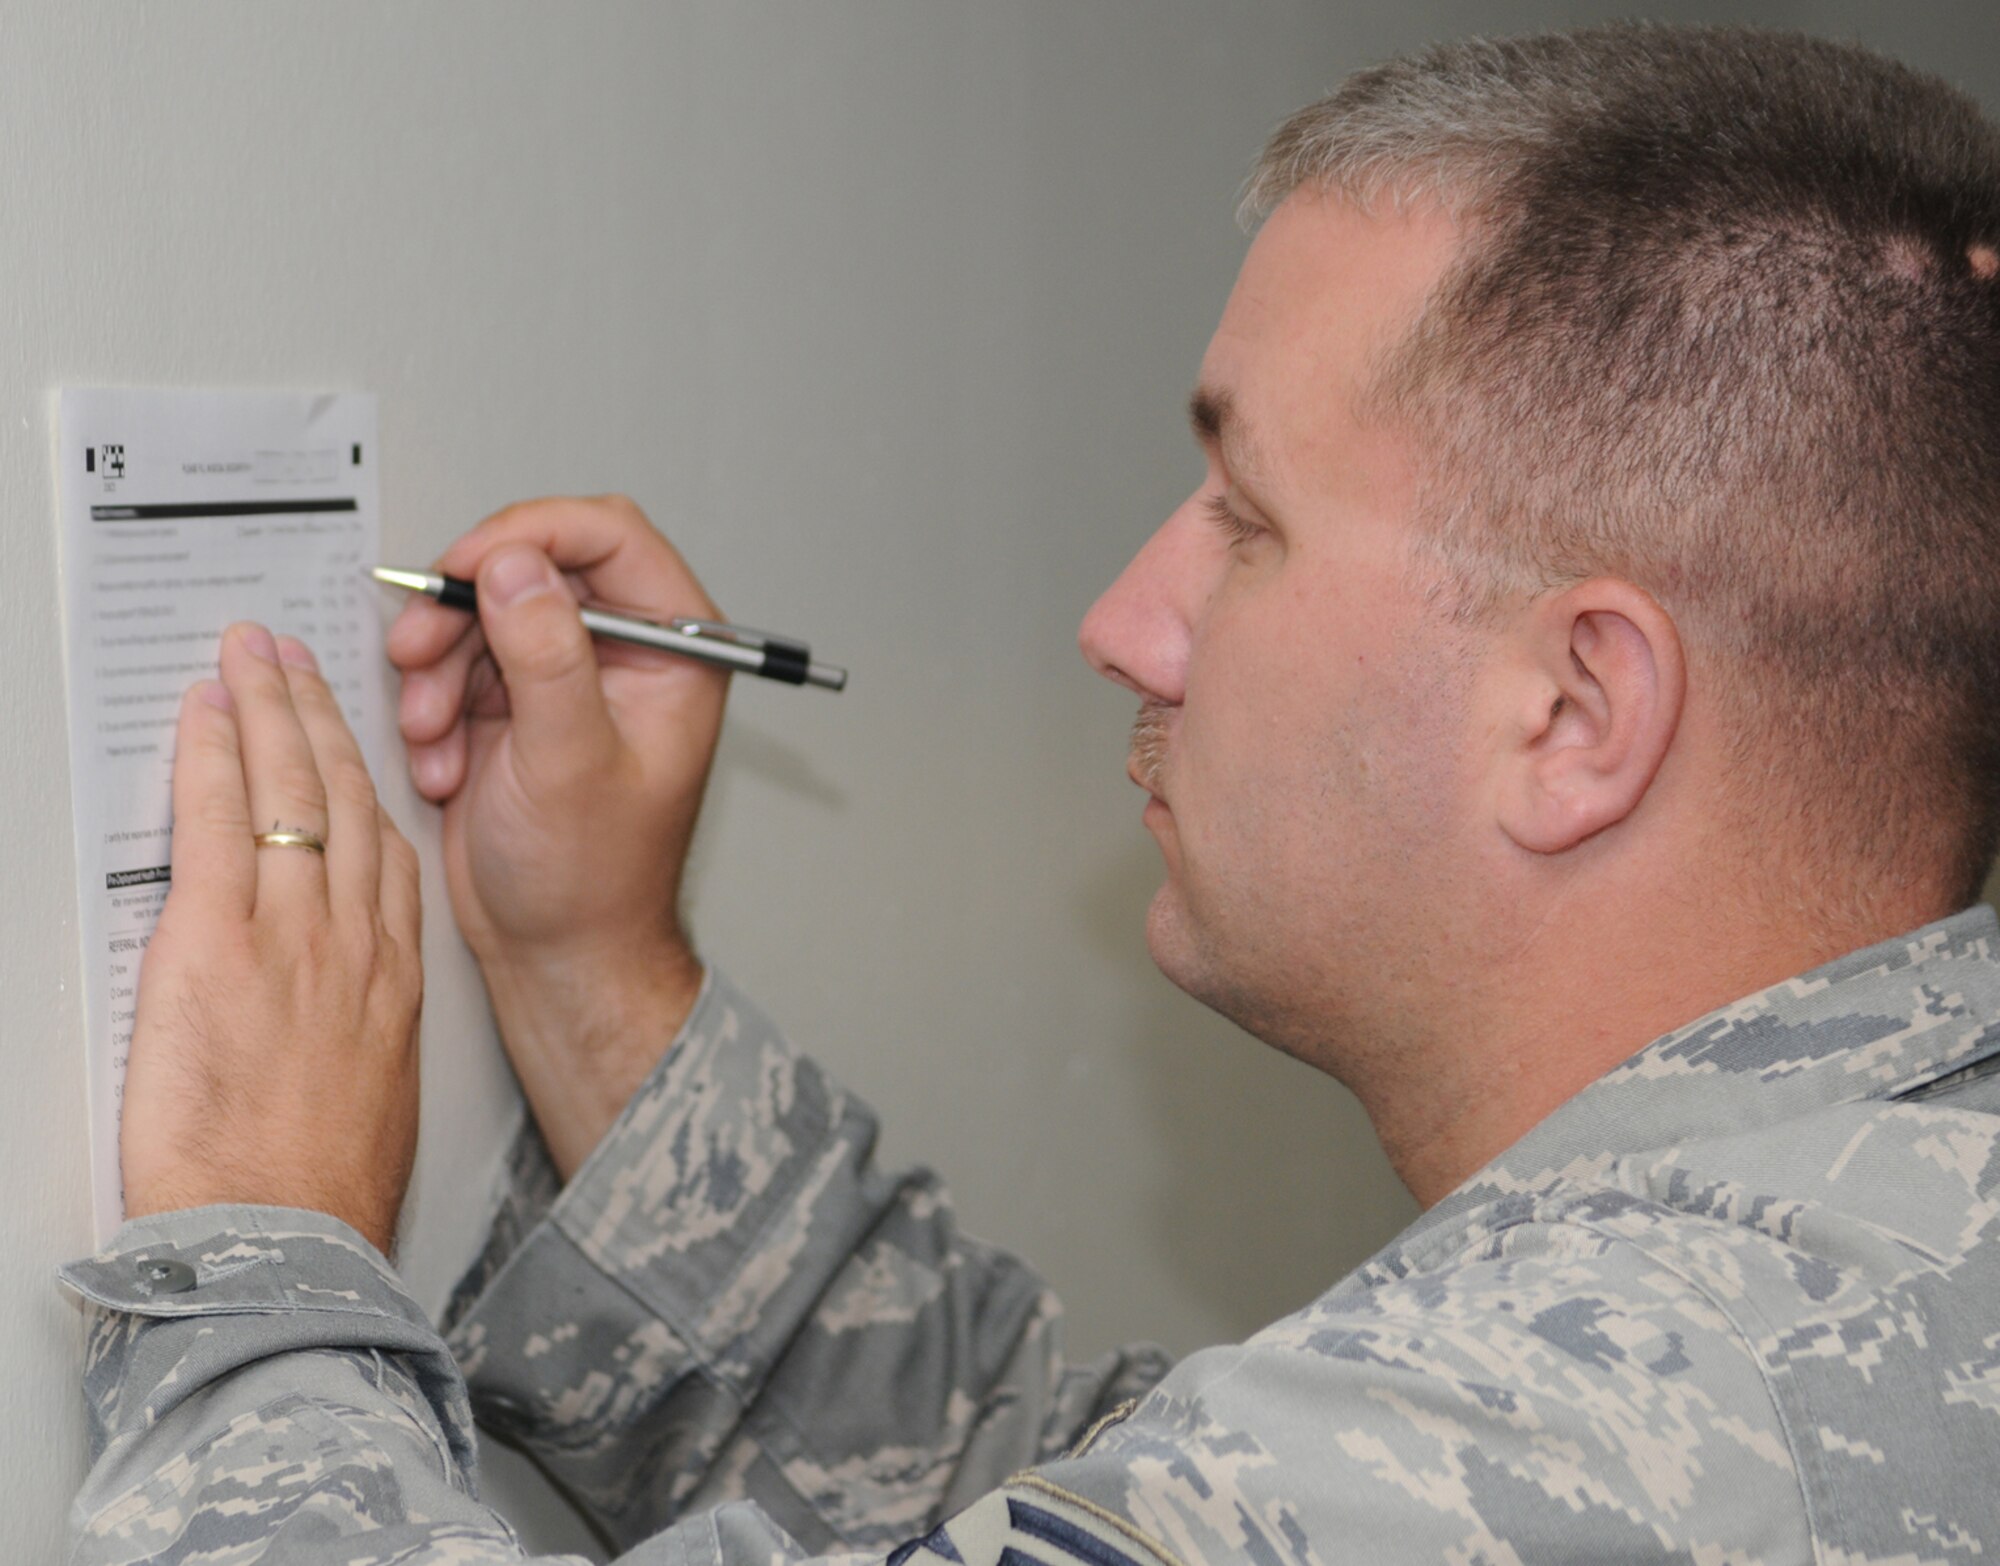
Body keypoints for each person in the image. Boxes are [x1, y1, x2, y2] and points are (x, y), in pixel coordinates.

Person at [64, 23, 2000, 1564]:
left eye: (1242, 517)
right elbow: (1089, 1491)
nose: (1124, 623)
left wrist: (265, 1246)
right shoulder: (1849, 1243)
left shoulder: (1603, 1438)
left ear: (1579, 710)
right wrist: (590, 971)